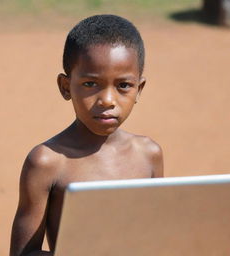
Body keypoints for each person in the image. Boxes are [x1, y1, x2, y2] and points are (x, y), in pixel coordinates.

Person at [9, 14, 163, 256]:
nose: (108, 100)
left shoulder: (149, 155)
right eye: (91, 84)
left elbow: (157, 236)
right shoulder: (47, 162)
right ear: (66, 87)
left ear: (139, 89)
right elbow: (23, 253)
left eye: (123, 85)